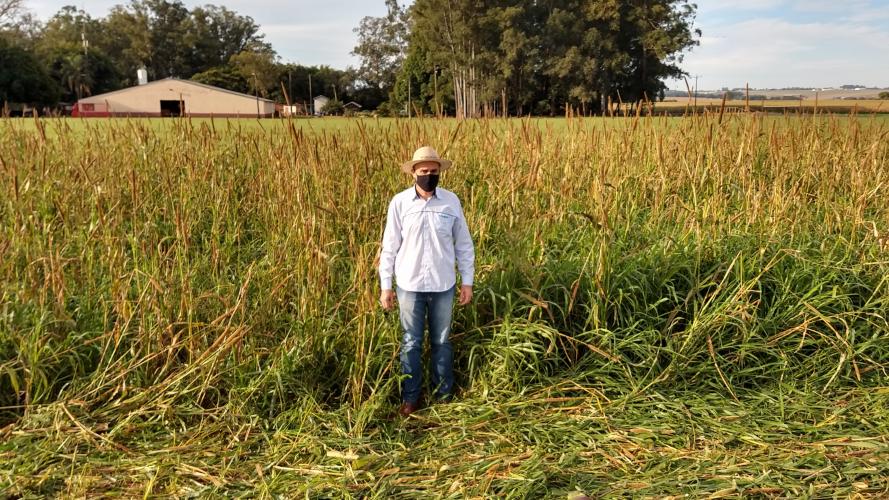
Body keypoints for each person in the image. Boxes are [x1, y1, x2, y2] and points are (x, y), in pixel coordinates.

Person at [379, 146, 475, 417]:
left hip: (443, 284)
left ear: (439, 172)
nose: (429, 176)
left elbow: (464, 244)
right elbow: (389, 246)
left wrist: (467, 281)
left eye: (433, 172)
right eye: (424, 172)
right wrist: (386, 285)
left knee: (442, 340)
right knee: (410, 341)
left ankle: (443, 395)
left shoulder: (451, 202)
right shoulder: (399, 203)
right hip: (408, 285)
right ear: (413, 173)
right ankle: (411, 398)